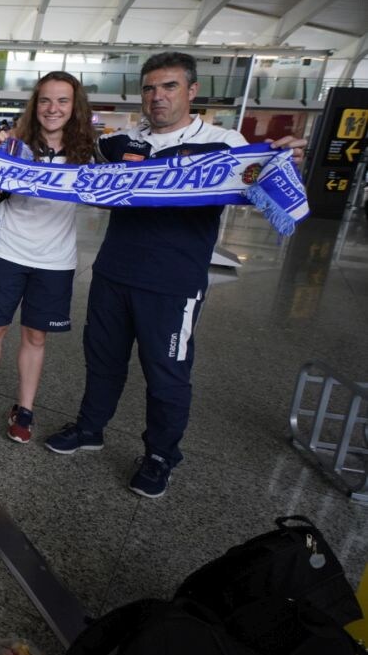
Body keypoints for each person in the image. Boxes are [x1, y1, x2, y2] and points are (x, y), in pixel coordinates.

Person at [45, 52, 306, 497]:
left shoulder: (225, 144)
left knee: (166, 372)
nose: (157, 97)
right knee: (102, 360)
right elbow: (69, 164)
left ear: (192, 91)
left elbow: (266, 184)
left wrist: (285, 160)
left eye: (168, 87)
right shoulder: (120, 143)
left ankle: (162, 454)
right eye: (149, 88)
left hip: (174, 284)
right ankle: (90, 428)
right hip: (113, 273)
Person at [0, 72, 96, 444]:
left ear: (75, 106)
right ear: (35, 105)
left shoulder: (88, 152)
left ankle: (25, 408)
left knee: (36, 336)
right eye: (46, 101)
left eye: (62, 101)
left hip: (55, 259)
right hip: (7, 251)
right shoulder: (13, 146)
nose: (53, 109)